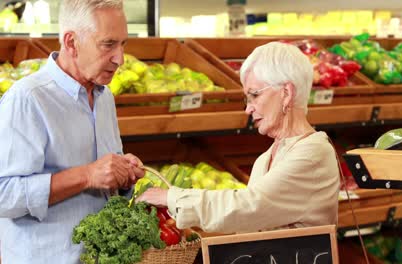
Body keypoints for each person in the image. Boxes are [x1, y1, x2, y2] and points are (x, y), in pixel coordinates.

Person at [136, 42, 340, 233]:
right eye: (246, 98)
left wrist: (172, 197)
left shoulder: (314, 154)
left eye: (255, 95)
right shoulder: (266, 158)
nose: (248, 108)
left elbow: (251, 206)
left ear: (286, 93)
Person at [0, 1, 144, 263]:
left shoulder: (104, 97)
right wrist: (87, 175)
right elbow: (3, 194)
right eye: (108, 44)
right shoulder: (28, 99)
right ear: (71, 42)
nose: (120, 59)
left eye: (124, 44)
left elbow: (104, 179)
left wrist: (123, 175)